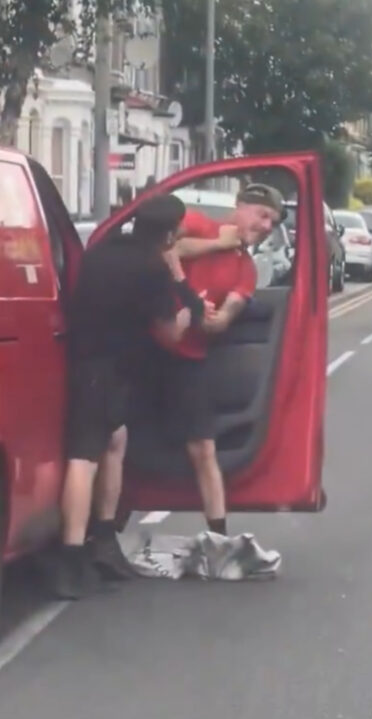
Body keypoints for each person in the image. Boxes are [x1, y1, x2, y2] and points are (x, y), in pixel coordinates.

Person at [48, 193, 207, 600]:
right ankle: (71, 556)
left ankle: (103, 538)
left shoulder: (102, 250)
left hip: (89, 361)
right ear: (170, 234)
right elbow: (172, 331)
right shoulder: (151, 268)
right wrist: (189, 299)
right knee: (83, 459)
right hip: (104, 370)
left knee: (115, 444)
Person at [153, 182, 285, 537]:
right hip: (148, 347)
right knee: (116, 441)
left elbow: (228, 315)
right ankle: (103, 532)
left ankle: (219, 535)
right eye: (262, 215)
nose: (266, 226)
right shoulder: (197, 223)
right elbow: (163, 250)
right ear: (240, 206)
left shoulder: (248, 270)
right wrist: (217, 244)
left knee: (204, 448)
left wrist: (213, 320)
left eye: (272, 222)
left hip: (189, 357)